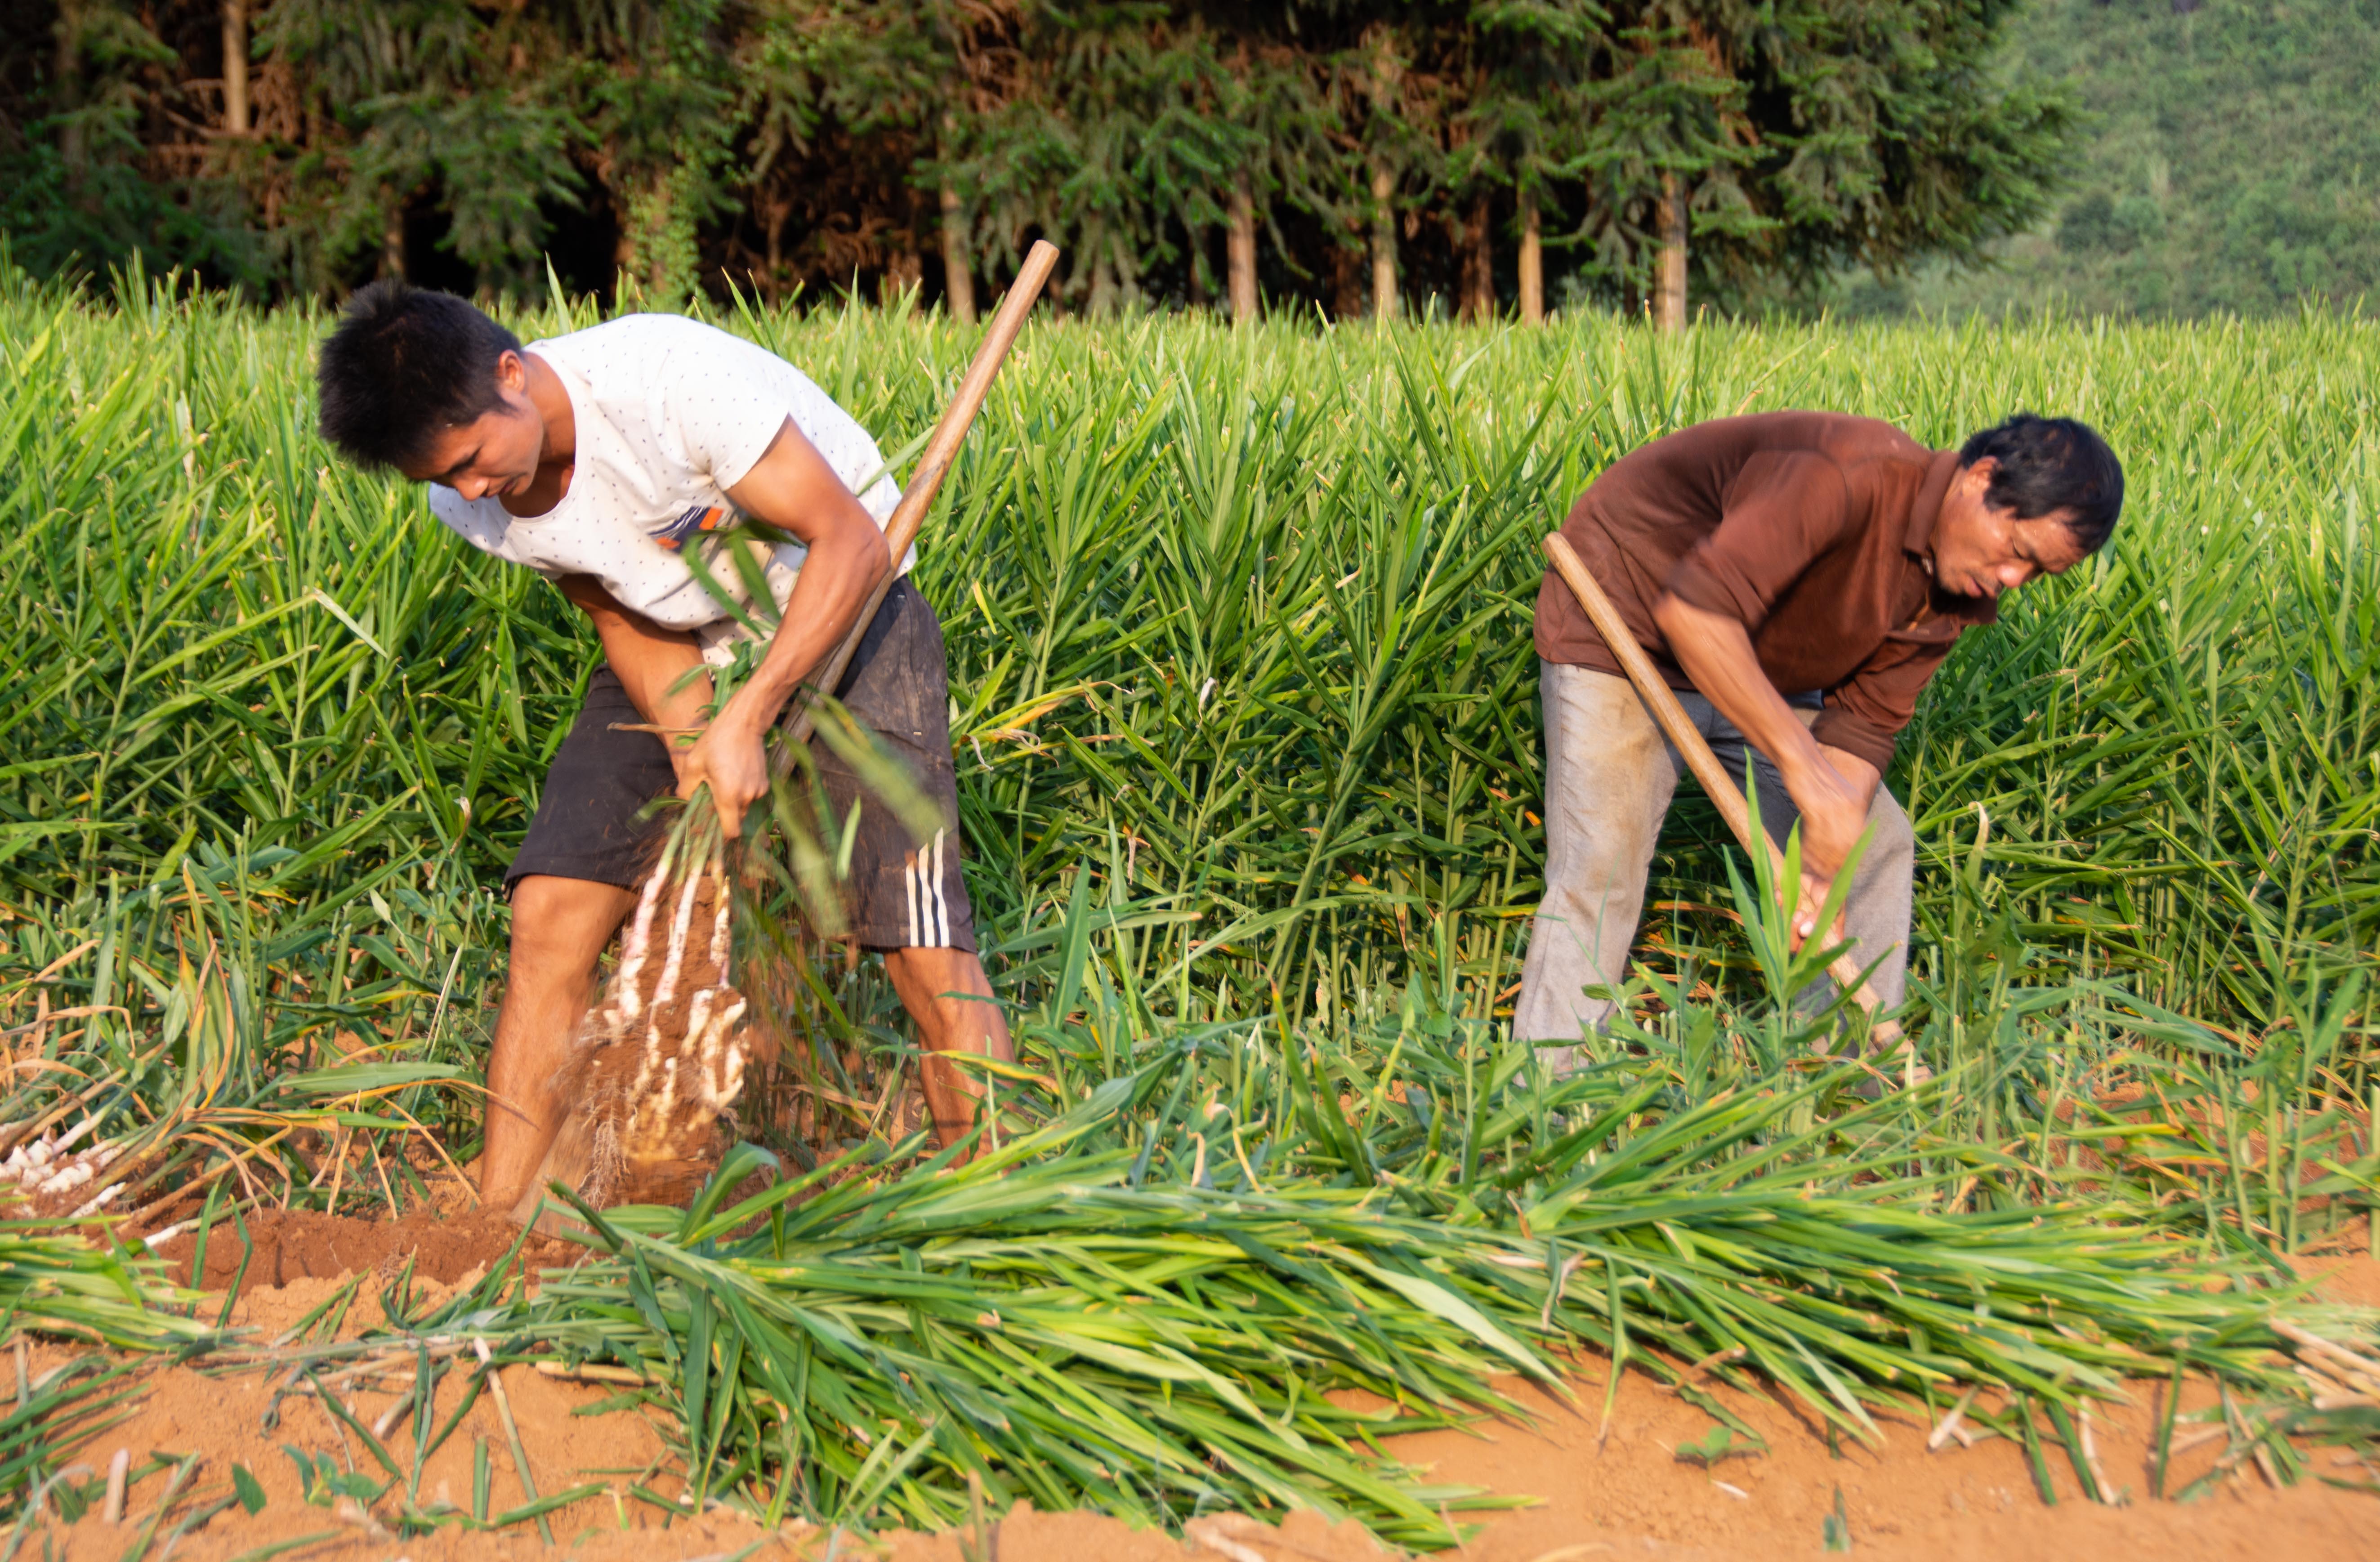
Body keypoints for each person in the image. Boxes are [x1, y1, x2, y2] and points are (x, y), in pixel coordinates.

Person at [314, 282, 1014, 1212]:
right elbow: (611, 599)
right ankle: (499, 1222)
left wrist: (751, 710)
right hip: (677, 635)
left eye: (475, 459)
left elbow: (851, 543)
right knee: (552, 911)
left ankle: (1002, 1203)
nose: (473, 492)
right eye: (444, 480)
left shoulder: (670, 384)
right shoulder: (475, 503)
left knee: (920, 942)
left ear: (512, 375)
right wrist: (692, 740)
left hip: (845, 613)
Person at [1517, 411, 2123, 1054]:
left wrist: (1822, 865)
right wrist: (1805, 772)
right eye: (2018, 552)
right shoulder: (1844, 474)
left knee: (1873, 842)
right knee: (1601, 863)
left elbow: (1863, 727)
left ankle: (1835, 1090)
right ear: (1980, 480)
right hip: (1625, 625)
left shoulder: (1953, 593)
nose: (2010, 580)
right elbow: (1695, 614)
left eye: (2035, 575)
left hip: (1758, 666)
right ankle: (1545, 1102)